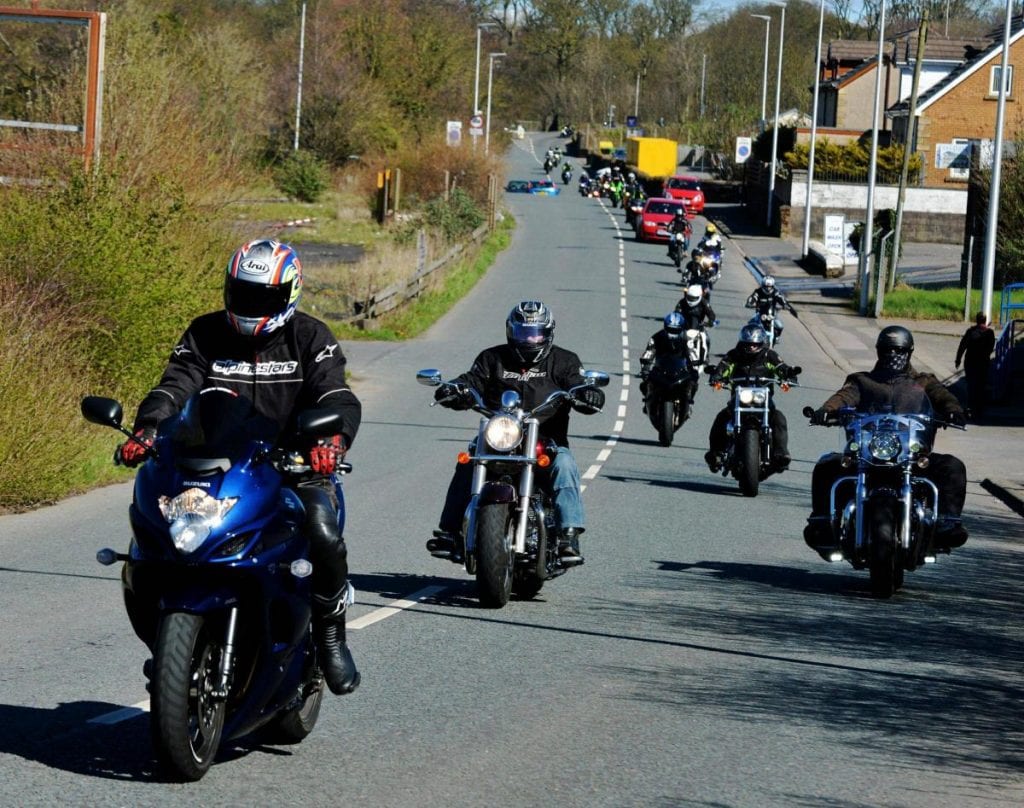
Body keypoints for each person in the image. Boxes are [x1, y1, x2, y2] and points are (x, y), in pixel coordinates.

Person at [117, 239, 362, 696]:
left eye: (264, 298)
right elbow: (174, 386)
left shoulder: (312, 338)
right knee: (150, 537)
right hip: (214, 466)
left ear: (290, 293)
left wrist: (331, 440)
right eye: (244, 294)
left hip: (291, 464)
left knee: (324, 532)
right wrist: (148, 430)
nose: (252, 306)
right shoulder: (203, 333)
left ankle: (330, 636)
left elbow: (335, 395)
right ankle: (168, 646)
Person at [427, 301, 605, 562]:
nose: (530, 339)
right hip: (500, 437)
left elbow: (577, 383)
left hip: (545, 439)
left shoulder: (564, 361)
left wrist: (587, 393)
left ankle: (569, 534)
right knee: (469, 461)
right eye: (524, 333)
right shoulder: (492, 358)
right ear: (511, 331)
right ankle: (450, 532)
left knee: (564, 464)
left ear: (548, 333)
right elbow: (471, 381)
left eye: (536, 333)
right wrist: (453, 388)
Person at [805, 325, 969, 553]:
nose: (893, 356)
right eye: (888, 351)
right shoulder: (862, 381)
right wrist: (827, 410)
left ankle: (947, 522)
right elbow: (845, 395)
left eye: (898, 351)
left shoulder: (924, 381)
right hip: (867, 450)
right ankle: (822, 521)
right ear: (879, 352)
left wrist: (953, 410)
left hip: (911, 453)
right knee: (827, 465)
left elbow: (943, 396)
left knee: (952, 466)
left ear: (908, 352)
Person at [704, 324, 800, 473]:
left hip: (764, 399)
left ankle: (781, 454)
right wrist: (716, 376)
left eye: (754, 344)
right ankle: (715, 454)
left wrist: (789, 375)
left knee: (779, 418)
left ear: (761, 343)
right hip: (739, 398)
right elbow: (723, 367)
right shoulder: (734, 355)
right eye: (748, 344)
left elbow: (781, 367)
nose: (751, 347)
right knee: (721, 418)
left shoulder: (769, 355)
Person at [639, 312, 699, 412]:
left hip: (680, 369)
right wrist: (645, 368)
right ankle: (648, 402)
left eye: (676, 330)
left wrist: (694, 367)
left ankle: (688, 402)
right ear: (665, 327)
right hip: (660, 369)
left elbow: (692, 354)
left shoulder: (687, 339)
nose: (673, 333)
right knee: (645, 384)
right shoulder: (656, 338)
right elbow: (648, 353)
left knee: (693, 383)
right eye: (671, 329)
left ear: (681, 328)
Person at [955, 311, 997, 420]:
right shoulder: (990, 333)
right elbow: (990, 348)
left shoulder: (970, 332)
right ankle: (979, 409)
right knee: (981, 386)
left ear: (977, 320)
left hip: (970, 363)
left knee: (971, 386)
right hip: (983, 363)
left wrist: (958, 359)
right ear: (985, 320)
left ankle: (970, 408)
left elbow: (962, 345)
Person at [745, 275, 794, 343]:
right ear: (763, 285)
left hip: (772, 314)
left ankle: (777, 338)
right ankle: (749, 339)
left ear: (772, 286)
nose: (768, 289)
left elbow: (780, 298)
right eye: (766, 286)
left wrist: (785, 304)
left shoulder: (775, 292)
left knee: (780, 326)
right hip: (760, 314)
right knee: (751, 324)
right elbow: (753, 297)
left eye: (770, 287)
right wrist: (749, 303)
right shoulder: (758, 292)